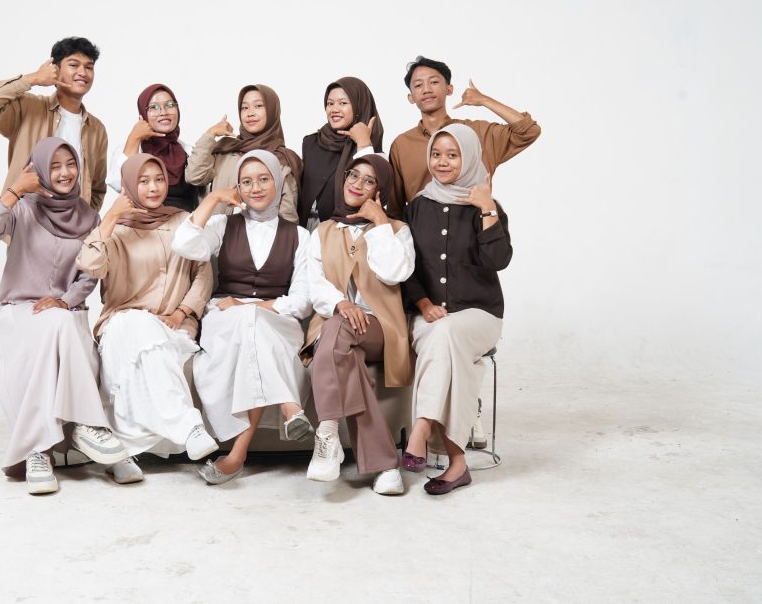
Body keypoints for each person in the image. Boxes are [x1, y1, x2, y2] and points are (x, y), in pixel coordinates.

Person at [0, 137, 127, 495]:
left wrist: (66, 300)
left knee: (60, 324)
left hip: (65, 310)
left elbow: (90, 271)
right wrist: (15, 190)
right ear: (40, 169)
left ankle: (37, 452)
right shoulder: (22, 209)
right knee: (58, 326)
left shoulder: (89, 217)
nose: (64, 173)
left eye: (70, 164)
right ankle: (88, 425)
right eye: (55, 166)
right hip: (20, 309)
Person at [172, 150, 313, 484]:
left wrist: (255, 307)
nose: (255, 188)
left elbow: (303, 301)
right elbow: (184, 244)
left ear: (278, 183)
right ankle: (289, 407)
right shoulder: (223, 224)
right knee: (250, 330)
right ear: (237, 186)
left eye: (264, 179)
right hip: (226, 318)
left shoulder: (300, 235)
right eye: (246, 182)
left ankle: (238, 454)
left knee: (255, 327)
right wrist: (215, 198)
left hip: (275, 320)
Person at [77, 154, 216, 478]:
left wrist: (182, 312)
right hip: (123, 322)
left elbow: (203, 273)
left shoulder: (183, 221)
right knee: (137, 327)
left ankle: (122, 453)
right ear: (128, 186)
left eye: (159, 179)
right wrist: (112, 215)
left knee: (140, 351)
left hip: (173, 325)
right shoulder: (115, 228)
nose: (153, 188)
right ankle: (190, 427)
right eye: (143, 181)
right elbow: (90, 265)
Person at [400, 124, 512, 495]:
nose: (442, 162)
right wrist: (424, 303)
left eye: (452, 155)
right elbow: (408, 268)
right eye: (436, 154)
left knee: (446, 335)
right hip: (429, 314)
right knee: (446, 345)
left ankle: (420, 429)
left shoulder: (487, 205)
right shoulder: (418, 206)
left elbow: (498, 261)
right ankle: (457, 464)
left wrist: (487, 210)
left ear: (469, 158)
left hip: (480, 314)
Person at [302, 154, 415, 496]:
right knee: (342, 342)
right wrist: (340, 303)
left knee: (339, 331)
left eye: (369, 180)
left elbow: (395, 273)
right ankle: (385, 466)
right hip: (334, 321)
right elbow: (314, 282)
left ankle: (327, 432)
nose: (357, 184)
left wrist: (379, 222)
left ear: (380, 190)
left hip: (380, 327)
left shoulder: (397, 231)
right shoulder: (323, 231)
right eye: (353, 175)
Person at [388, 55, 541, 222]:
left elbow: (529, 131)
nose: (426, 89)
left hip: (477, 231)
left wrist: (484, 100)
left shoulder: (478, 132)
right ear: (411, 97)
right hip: (421, 235)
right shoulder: (402, 145)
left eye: (434, 82)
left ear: (449, 89)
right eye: (418, 85)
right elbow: (395, 210)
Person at [0, 36, 109, 210]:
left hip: (72, 224)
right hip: (26, 220)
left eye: (89, 67)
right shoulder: (29, 108)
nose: (83, 72)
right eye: (74, 65)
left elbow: (97, 188)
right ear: (55, 70)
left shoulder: (96, 128)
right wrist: (33, 78)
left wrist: (85, 219)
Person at [185, 84, 302, 223]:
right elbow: (194, 177)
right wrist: (211, 133)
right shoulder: (225, 149)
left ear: (272, 110)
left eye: (258, 106)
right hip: (218, 234)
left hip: (264, 236)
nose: (250, 113)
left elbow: (288, 218)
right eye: (244, 107)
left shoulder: (283, 159)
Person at [298, 76, 384, 229]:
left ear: (359, 106)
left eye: (343, 103)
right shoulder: (310, 143)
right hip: (306, 231)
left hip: (346, 231)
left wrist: (363, 143)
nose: (334, 109)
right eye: (330, 103)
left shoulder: (371, 150)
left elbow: (371, 191)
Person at [106, 83, 200, 211]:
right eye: (154, 107)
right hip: (144, 222)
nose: (164, 112)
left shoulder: (189, 151)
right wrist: (134, 138)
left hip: (188, 221)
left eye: (170, 105)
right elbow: (118, 184)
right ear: (143, 114)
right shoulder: (131, 147)